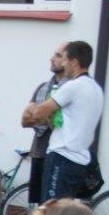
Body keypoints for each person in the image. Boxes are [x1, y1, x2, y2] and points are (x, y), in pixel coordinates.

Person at [23, 41, 104, 201]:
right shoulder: (95, 88)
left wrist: (31, 107)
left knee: (50, 208)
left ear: (74, 62)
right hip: (80, 160)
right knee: (65, 209)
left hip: (62, 157)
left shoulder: (73, 86)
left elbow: (38, 113)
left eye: (65, 59)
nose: (63, 64)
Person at [22, 44, 68, 205]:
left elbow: (62, 125)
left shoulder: (71, 90)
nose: (51, 59)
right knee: (39, 206)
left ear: (69, 61)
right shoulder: (42, 88)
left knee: (54, 207)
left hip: (58, 157)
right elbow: (24, 120)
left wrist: (38, 112)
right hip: (38, 152)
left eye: (58, 55)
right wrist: (46, 114)